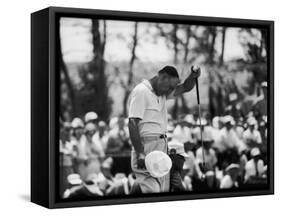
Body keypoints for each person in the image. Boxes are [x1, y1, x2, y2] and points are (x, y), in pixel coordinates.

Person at [128, 65, 200, 193]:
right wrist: (139, 152)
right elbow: (133, 123)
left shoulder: (162, 93)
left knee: (162, 191)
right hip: (146, 147)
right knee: (153, 191)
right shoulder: (141, 91)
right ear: (162, 77)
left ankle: (136, 189)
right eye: (171, 86)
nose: (172, 90)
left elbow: (185, 87)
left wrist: (192, 76)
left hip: (162, 146)